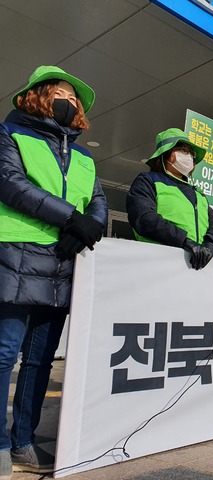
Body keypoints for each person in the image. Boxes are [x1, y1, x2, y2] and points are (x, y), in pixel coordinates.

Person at [0, 65, 108, 476]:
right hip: (16, 254)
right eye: (63, 92)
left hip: (63, 262)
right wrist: (70, 220)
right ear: (39, 94)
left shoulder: (83, 155)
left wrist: (89, 228)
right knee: (5, 353)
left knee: (40, 359)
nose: (70, 101)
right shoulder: (10, 134)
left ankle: (23, 442)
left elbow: (97, 200)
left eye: (75, 98)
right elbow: (10, 183)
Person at [126, 128, 213, 269]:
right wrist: (185, 241)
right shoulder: (148, 180)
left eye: (191, 152)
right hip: (158, 265)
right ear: (166, 154)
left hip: (198, 266)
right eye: (182, 150)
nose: (188, 156)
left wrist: (210, 245)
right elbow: (144, 218)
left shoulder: (198, 194)